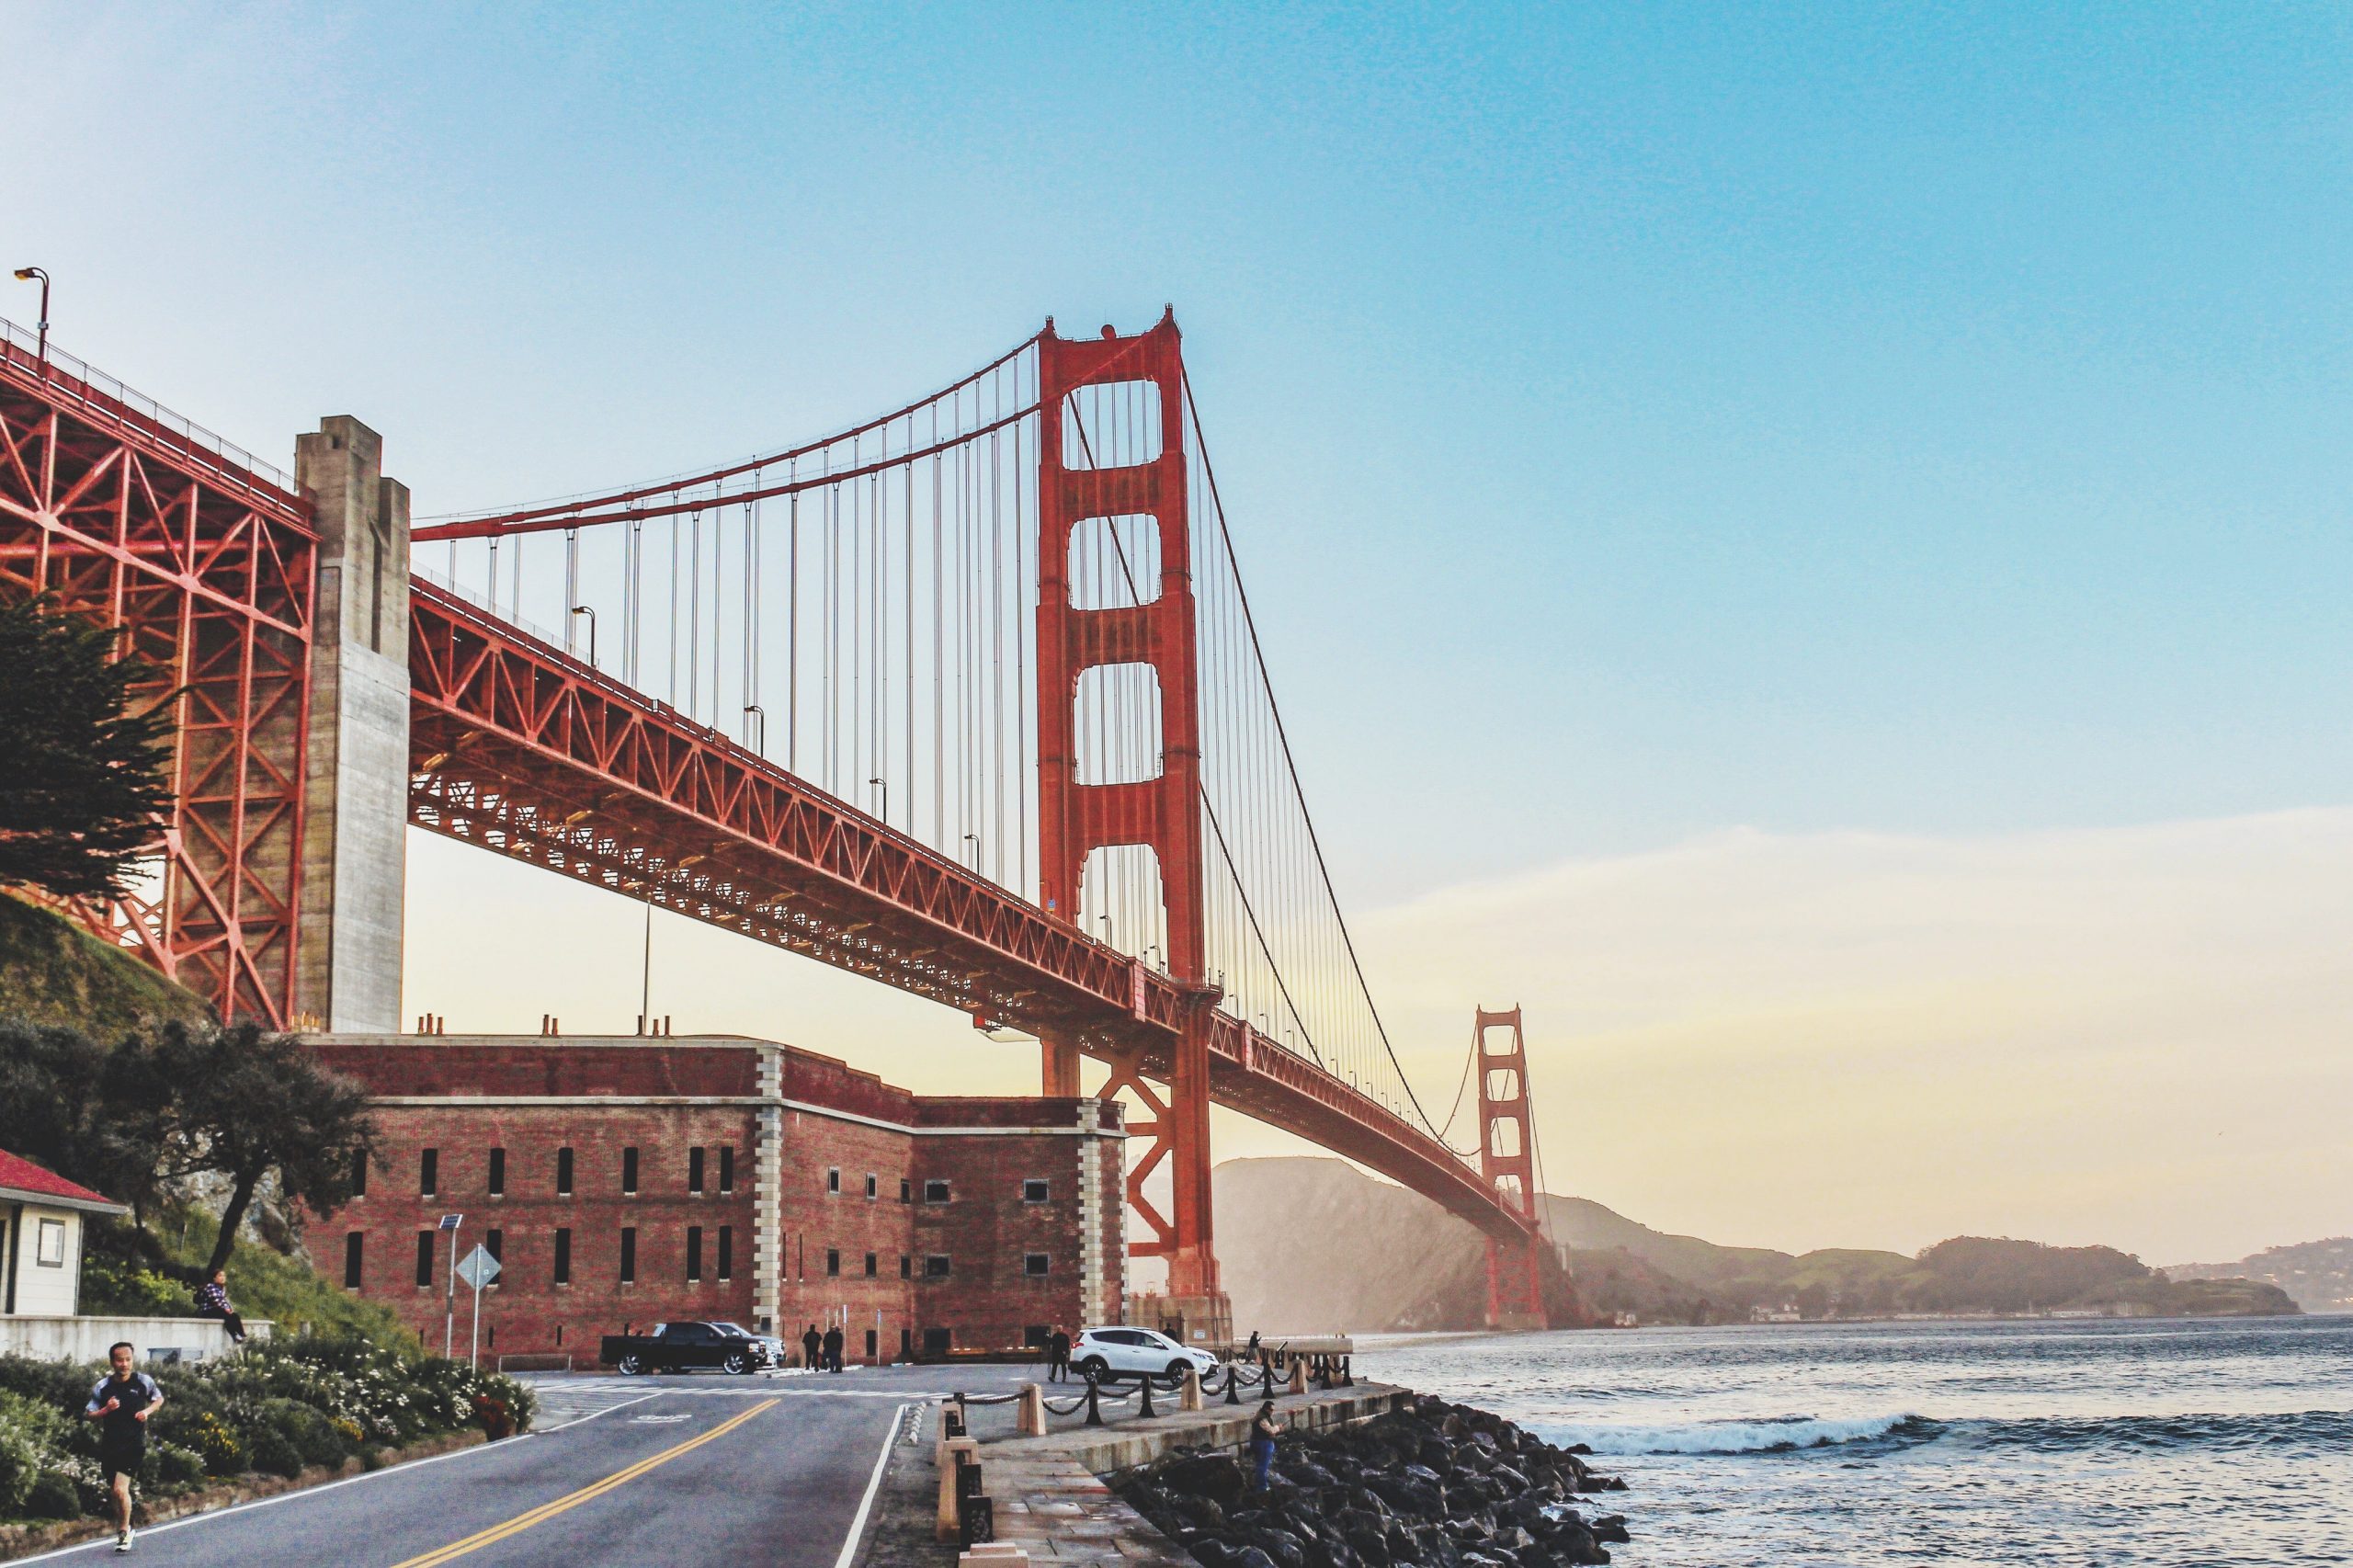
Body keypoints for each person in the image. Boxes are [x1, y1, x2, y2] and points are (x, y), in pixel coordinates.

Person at [84, 1342, 164, 1553]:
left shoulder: (143, 1381)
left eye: (128, 1359)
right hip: (110, 1445)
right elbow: (89, 1414)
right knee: (115, 1492)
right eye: (120, 1360)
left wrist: (147, 1412)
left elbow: (158, 1399)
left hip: (133, 1445)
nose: (125, 1364)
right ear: (112, 1362)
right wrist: (105, 1410)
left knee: (120, 1489)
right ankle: (124, 1524)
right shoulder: (103, 1387)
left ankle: (124, 1530)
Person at [193, 1268, 246, 1344]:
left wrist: (229, 1309)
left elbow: (224, 1301)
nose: (223, 1277)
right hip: (208, 1311)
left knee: (234, 1316)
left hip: (218, 1310)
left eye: (224, 1276)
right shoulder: (211, 1286)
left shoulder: (221, 1288)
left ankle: (241, 1335)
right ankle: (235, 1335)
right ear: (214, 1278)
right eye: (220, 1276)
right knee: (225, 1314)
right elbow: (216, 1300)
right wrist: (226, 1309)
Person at [1248, 1400, 1282, 1491]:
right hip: (1263, 1443)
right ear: (1266, 1409)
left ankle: (1258, 1483)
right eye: (1271, 1410)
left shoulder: (1259, 1415)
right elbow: (1270, 1430)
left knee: (1260, 1464)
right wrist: (1278, 1427)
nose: (1272, 1412)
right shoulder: (1262, 1418)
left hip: (1257, 1442)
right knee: (1263, 1465)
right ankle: (1262, 1487)